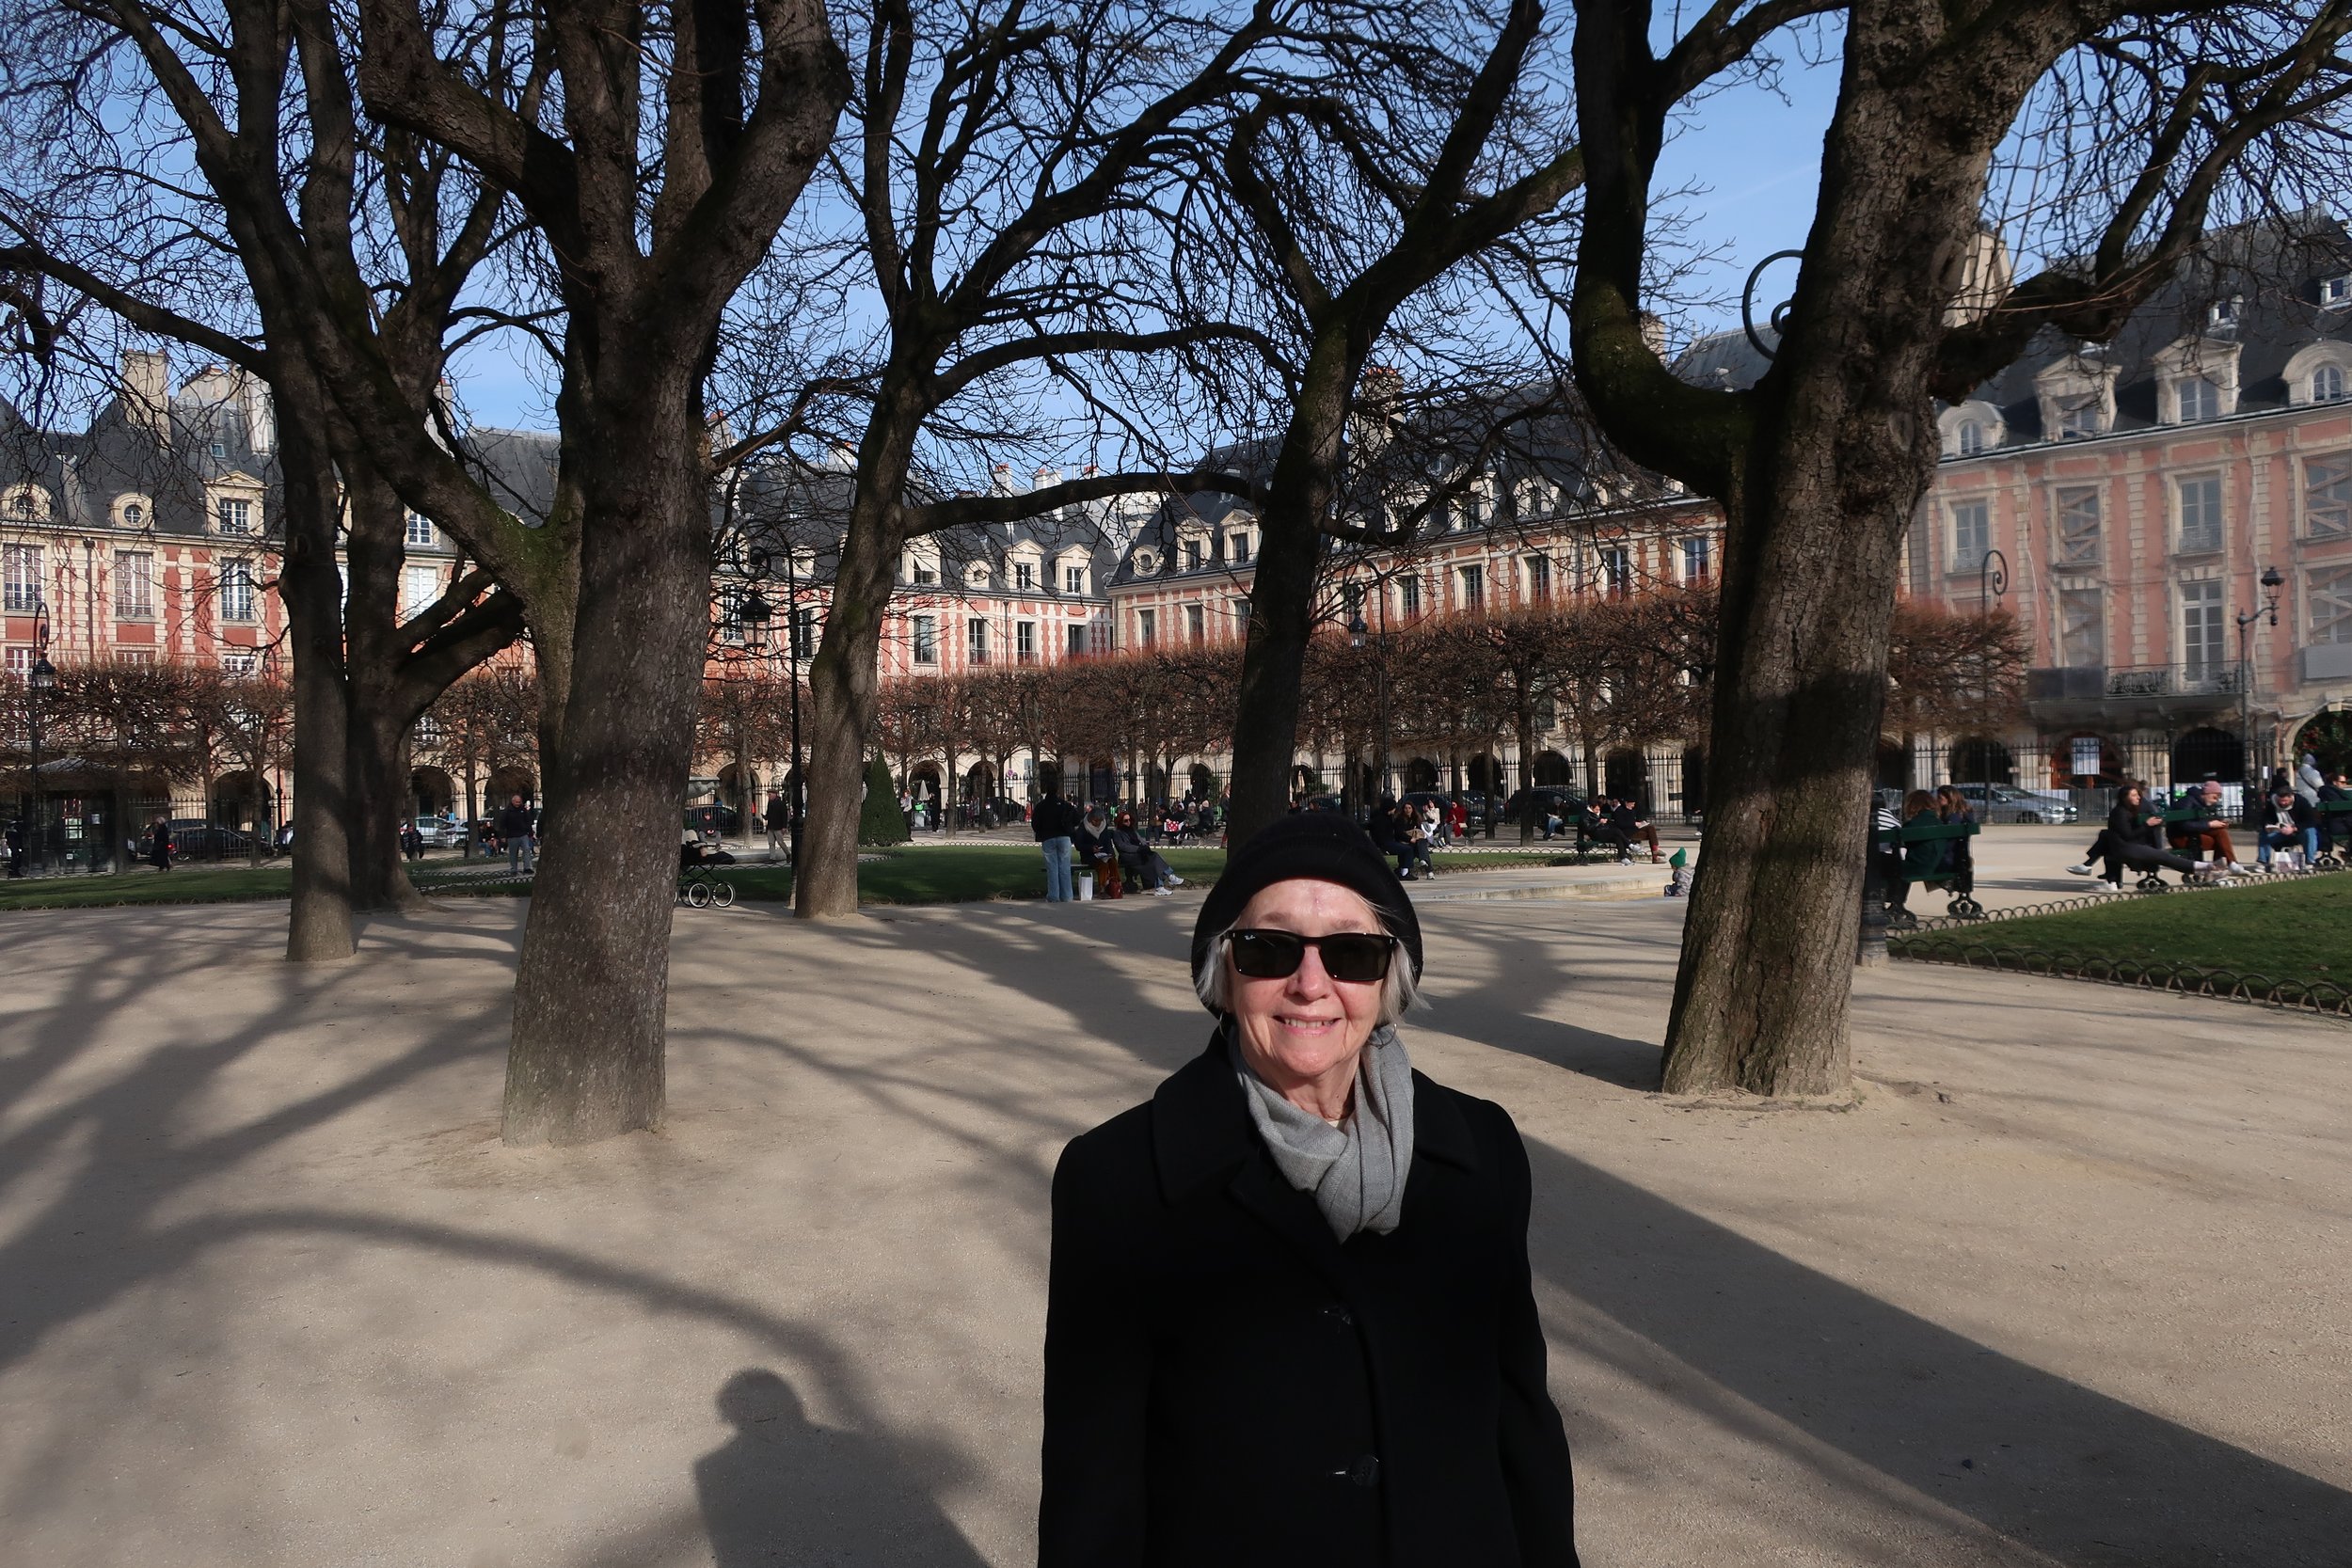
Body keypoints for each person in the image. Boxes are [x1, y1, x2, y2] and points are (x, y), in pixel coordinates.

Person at [1039, 813, 1578, 1566]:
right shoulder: (1120, 1179)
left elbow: (1523, 1426)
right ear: (1223, 971)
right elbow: (1092, 1484)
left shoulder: (1481, 1150)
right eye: (1270, 948)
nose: (1311, 984)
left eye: (1352, 952)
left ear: (1390, 977)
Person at [2099, 782, 2224, 889]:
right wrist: (2147, 825)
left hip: (2131, 847)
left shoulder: (2128, 811)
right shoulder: (2120, 813)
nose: (2138, 798)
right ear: (2125, 798)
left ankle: (2209, 868)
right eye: (2134, 795)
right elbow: (2128, 836)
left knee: (2166, 858)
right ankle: (2209, 868)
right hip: (2127, 849)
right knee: (2165, 857)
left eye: (2138, 795)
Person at [2164, 781, 2244, 871]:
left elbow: (2200, 822)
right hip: (2181, 838)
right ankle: (2226, 865)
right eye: (2214, 797)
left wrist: (2218, 822)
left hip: (2192, 836)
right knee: (2220, 840)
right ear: (2207, 793)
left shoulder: (2200, 803)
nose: (2215, 801)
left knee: (2220, 832)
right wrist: (2209, 824)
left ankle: (2224, 866)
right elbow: (2184, 825)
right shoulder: (2187, 801)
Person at [2256, 785, 2318, 869]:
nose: (2283, 803)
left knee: (2310, 831)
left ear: (2291, 797)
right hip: (2281, 831)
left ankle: (2310, 862)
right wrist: (2268, 825)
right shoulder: (2272, 803)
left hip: (2298, 832)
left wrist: (2294, 828)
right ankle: (2263, 862)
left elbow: (2311, 821)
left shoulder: (2301, 802)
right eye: (2280, 801)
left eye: (2285, 801)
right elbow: (2267, 818)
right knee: (2264, 834)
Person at [1109, 810, 1166, 895]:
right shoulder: (1118, 833)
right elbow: (1123, 847)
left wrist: (1144, 847)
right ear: (1120, 821)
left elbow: (1141, 840)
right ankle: (1161, 882)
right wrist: (1139, 849)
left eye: (1129, 820)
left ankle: (1161, 882)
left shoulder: (1132, 830)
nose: (1128, 822)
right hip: (1127, 856)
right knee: (1150, 860)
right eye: (1126, 821)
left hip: (1138, 854)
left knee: (1153, 856)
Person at [1034, 791, 1077, 902]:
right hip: (1064, 836)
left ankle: (1054, 896)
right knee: (1065, 867)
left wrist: (1041, 832)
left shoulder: (1041, 806)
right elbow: (1076, 819)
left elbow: (1035, 823)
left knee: (1052, 868)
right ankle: (1067, 896)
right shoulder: (1064, 805)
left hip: (1048, 837)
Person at [1074, 806, 1120, 897]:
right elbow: (1078, 845)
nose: (1098, 823)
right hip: (1089, 856)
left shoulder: (1103, 826)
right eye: (1095, 821)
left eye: (1099, 821)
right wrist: (1091, 848)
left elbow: (1108, 842)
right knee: (1103, 864)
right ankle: (1102, 889)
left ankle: (1116, 885)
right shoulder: (1083, 827)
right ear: (1090, 819)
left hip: (1104, 854)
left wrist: (1111, 854)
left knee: (1113, 862)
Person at [1607, 796, 1661, 864]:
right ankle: (1655, 855)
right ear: (1626, 803)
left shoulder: (1632, 810)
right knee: (1651, 833)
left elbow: (1633, 821)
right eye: (1632, 804)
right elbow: (1620, 824)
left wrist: (1641, 824)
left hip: (1635, 829)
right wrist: (1634, 824)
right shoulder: (1619, 811)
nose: (1633, 805)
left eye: (1634, 804)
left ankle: (1655, 852)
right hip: (1626, 832)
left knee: (1651, 828)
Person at [496, 793, 536, 876]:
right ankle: (513, 869)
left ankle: (527, 868)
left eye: (519, 802)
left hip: (523, 834)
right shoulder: (507, 811)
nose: (518, 804)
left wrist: (530, 833)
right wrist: (502, 836)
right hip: (512, 835)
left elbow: (528, 822)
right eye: (517, 802)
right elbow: (502, 824)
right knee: (513, 853)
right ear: (513, 802)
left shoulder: (523, 810)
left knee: (526, 850)